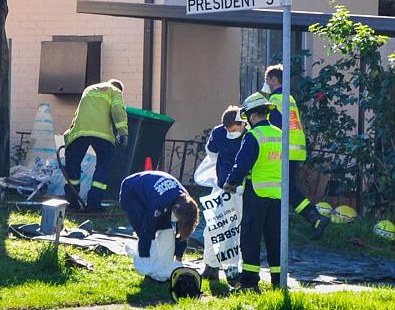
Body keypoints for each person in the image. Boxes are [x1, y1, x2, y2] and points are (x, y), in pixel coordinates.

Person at [223, 93, 282, 291]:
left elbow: (242, 164)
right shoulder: (280, 134)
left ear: (252, 116)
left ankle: (249, 282)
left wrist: (230, 182)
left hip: (256, 193)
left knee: (250, 236)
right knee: (275, 238)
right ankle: (278, 281)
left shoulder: (253, 136)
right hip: (278, 196)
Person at [262, 64, 329, 240]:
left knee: (285, 189)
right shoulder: (289, 98)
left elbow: (274, 127)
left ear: (273, 79)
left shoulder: (275, 100)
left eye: (266, 79)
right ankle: (311, 218)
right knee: (287, 188)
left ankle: (314, 217)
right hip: (296, 149)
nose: (265, 83)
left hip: (285, 150)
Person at [63, 79, 128, 212]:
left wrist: (69, 136)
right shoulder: (115, 91)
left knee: (73, 165)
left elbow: (78, 114)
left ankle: (72, 203)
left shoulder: (89, 89)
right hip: (103, 133)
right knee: (103, 166)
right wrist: (123, 132)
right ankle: (94, 204)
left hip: (80, 131)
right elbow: (118, 110)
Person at [201, 105, 246, 280]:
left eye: (233, 129)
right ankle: (211, 266)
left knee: (234, 230)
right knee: (214, 227)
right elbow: (211, 153)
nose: (230, 132)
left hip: (241, 190)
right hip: (221, 187)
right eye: (227, 129)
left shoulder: (249, 134)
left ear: (242, 123)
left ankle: (232, 268)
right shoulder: (219, 132)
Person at [119, 171, 200, 268]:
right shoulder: (160, 203)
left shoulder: (187, 203)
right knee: (143, 226)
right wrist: (145, 257)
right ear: (175, 207)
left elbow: (183, 231)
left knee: (164, 228)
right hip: (132, 190)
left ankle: (156, 260)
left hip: (153, 192)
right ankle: (142, 257)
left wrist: (178, 259)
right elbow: (147, 227)